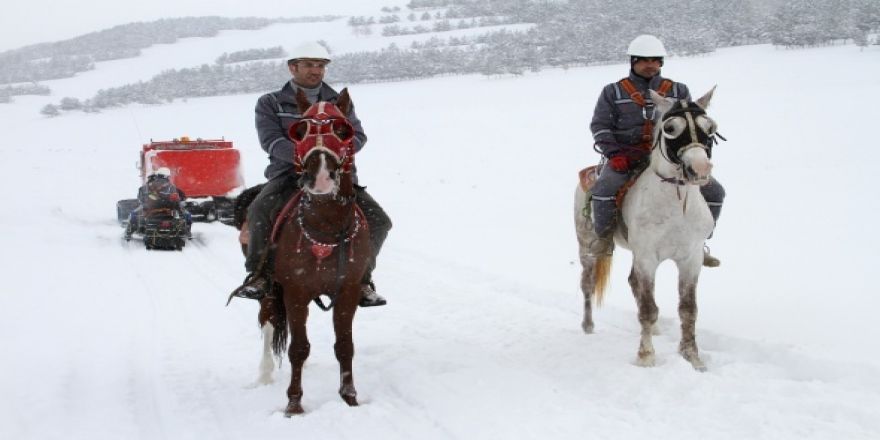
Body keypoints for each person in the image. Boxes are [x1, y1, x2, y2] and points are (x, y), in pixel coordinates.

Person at [229, 41, 392, 306]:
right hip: (288, 175)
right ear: (292, 68)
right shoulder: (270, 102)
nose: (315, 71)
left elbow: (358, 136)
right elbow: (270, 141)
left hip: (337, 176)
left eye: (320, 66)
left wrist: (334, 152)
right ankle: (258, 276)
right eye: (308, 65)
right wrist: (304, 157)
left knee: (380, 221)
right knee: (259, 210)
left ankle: (362, 279)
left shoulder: (339, 102)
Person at [588, 35, 724, 266]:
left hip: (669, 160)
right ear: (633, 62)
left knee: (715, 192)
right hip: (626, 157)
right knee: (603, 189)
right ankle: (604, 239)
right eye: (643, 60)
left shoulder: (678, 90)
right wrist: (614, 154)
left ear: (661, 63)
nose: (650, 64)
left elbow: (689, 126)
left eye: (655, 60)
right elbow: (600, 126)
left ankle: (699, 244)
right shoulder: (613, 92)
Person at [125, 167, 192, 239]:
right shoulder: (171, 187)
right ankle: (188, 231)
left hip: (151, 209)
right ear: (167, 176)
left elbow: (141, 199)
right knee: (187, 215)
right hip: (168, 209)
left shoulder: (147, 186)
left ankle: (129, 232)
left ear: (157, 175)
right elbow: (179, 198)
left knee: (133, 214)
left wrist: (146, 203)